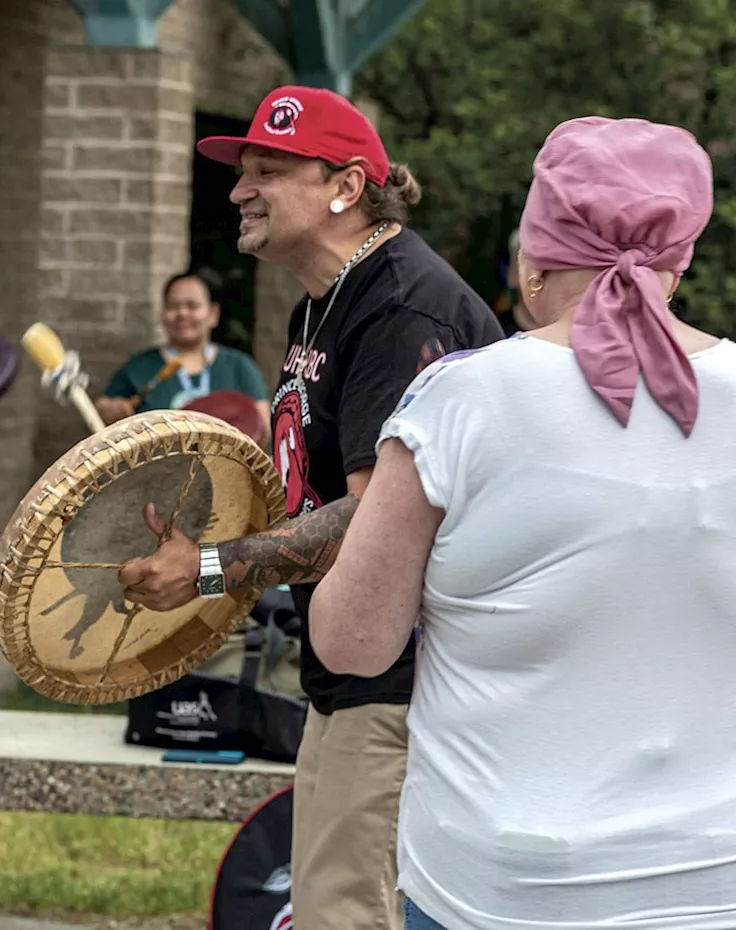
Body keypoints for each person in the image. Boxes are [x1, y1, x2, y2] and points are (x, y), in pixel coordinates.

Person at [309, 117, 736, 930]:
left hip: (507, 885)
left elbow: (353, 642)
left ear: (533, 259)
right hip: (717, 878)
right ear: (675, 267)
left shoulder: (461, 401)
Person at [115, 86, 504, 928]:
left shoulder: (403, 308)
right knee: (329, 907)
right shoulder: (320, 303)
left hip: (410, 683)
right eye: (241, 170)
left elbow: (373, 523)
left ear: (345, 186)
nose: (238, 190)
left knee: (349, 915)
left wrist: (211, 569)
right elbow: (312, 481)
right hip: (351, 675)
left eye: (267, 170)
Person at [95, 272, 269, 434]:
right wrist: (108, 411)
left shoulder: (239, 366)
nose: (182, 313)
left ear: (213, 314)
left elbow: (264, 428)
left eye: (192, 306)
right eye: (173, 306)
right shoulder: (139, 367)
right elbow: (100, 413)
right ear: (163, 314)